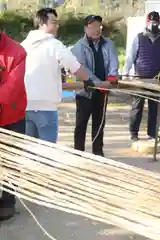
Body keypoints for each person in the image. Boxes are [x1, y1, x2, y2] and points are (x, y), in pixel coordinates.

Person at [21, 8, 112, 143]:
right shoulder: (54, 45)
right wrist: (88, 80)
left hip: (26, 106)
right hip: (46, 108)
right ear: (42, 23)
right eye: (54, 22)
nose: (57, 26)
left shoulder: (23, 45)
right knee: (47, 150)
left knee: (29, 149)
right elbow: (74, 66)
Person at [71, 15, 118, 157]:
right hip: (85, 91)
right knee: (81, 123)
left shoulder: (108, 44)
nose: (97, 30)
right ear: (86, 28)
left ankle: (98, 152)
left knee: (99, 122)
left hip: (103, 91)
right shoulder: (78, 47)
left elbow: (113, 63)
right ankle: (78, 152)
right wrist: (99, 84)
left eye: (99, 26)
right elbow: (82, 69)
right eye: (93, 27)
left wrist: (111, 79)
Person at [0, 33, 27, 221]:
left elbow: (11, 89)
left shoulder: (16, 52)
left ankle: (8, 202)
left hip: (12, 116)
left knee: (10, 160)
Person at [123, 11, 160, 141]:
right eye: (151, 21)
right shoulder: (138, 38)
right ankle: (133, 133)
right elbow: (130, 57)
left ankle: (152, 134)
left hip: (156, 80)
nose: (153, 24)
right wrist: (126, 73)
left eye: (155, 22)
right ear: (146, 22)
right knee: (137, 107)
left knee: (154, 107)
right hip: (140, 78)